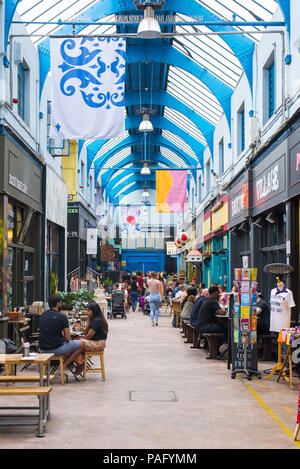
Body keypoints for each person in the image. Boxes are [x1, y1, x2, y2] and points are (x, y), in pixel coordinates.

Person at [39, 294, 84, 376]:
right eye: (61, 303)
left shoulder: (43, 315)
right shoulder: (62, 317)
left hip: (42, 349)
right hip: (56, 349)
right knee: (82, 344)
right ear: (58, 304)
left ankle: (75, 362)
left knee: (70, 345)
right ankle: (66, 365)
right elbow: (68, 338)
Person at [71, 302, 108, 375]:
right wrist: (79, 327)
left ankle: (79, 363)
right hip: (95, 342)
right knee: (78, 345)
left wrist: (81, 340)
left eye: (88, 311)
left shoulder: (97, 321)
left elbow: (89, 336)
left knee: (77, 344)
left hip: (98, 344)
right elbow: (87, 331)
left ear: (94, 311)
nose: (86, 312)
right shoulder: (94, 319)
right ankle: (80, 362)